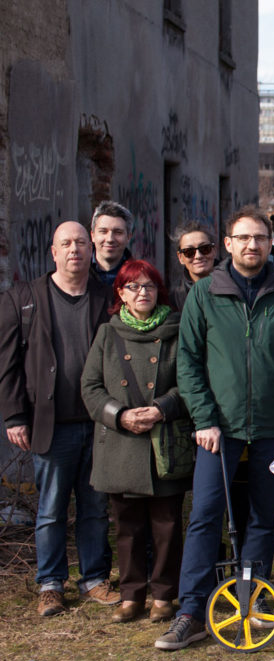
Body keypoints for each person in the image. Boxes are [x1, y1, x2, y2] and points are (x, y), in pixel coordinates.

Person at [155, 207, 274, 650]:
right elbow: (188, 362)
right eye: (243, 238)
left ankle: (250, 597)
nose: (252, 245)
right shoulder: (204, 293)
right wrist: (204, 418)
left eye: (260, 238)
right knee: (205, 516)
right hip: (219, 428)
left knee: (263, 517)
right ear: (228, 244)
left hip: (273, 428)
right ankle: (191, 611)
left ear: (270, 243)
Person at [0, 221, 119, 617]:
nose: (74, 250)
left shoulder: (106, 297)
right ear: (53, 252)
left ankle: (94, 578)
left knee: (95, 507)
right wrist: (14, 415)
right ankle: (50, 584)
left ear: (90, 249)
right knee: (51, 510)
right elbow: (7, 364)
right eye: (66, 243)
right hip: (51, 426)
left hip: (99, 424)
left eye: (81, 242)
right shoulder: (24, 299)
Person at [81, 260, 190, 624]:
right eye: (134, 286)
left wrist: (161, 409)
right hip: (121, 442)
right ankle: (131, 594)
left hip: (164, 442)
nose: (142, 292)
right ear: (121, 294)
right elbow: (90, 386)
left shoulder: (176, 330)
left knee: (167, 525)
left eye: (149, 286)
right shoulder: (107, 334)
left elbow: (190, 382)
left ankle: (164, 594)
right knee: (127, 526)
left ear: (159, 291)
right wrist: (121, 415)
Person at [170, 221, 217, 310]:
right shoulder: (176, 298)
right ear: (180, 257)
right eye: (189, 252)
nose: (198, 256)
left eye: (205, 249)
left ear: (214, 251)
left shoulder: (233, 285)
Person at [90, 200, 134, 286]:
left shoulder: (140, 277)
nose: (110, 239)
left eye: (118, 232)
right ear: (93, 236)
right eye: (103, 231)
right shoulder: (77, 272)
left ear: (128, 237)